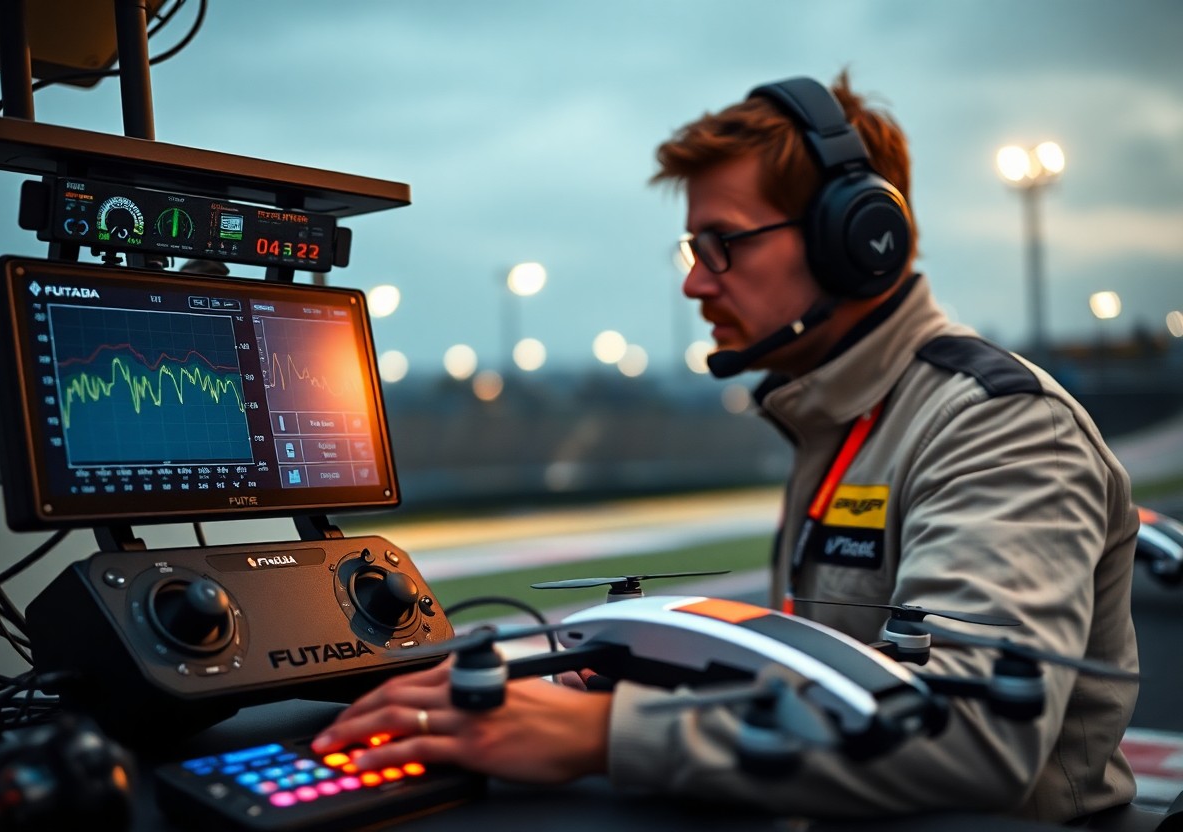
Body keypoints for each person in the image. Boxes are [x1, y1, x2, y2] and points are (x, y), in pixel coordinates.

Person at [311, 71, 1140, 825]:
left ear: (856, 240)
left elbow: (975, 735)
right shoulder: (844, 417)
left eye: (723, 246)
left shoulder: (998, 426)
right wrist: (666, 682)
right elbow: (841, 672)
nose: (696, 283)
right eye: (692, 251)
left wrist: (603, 734)